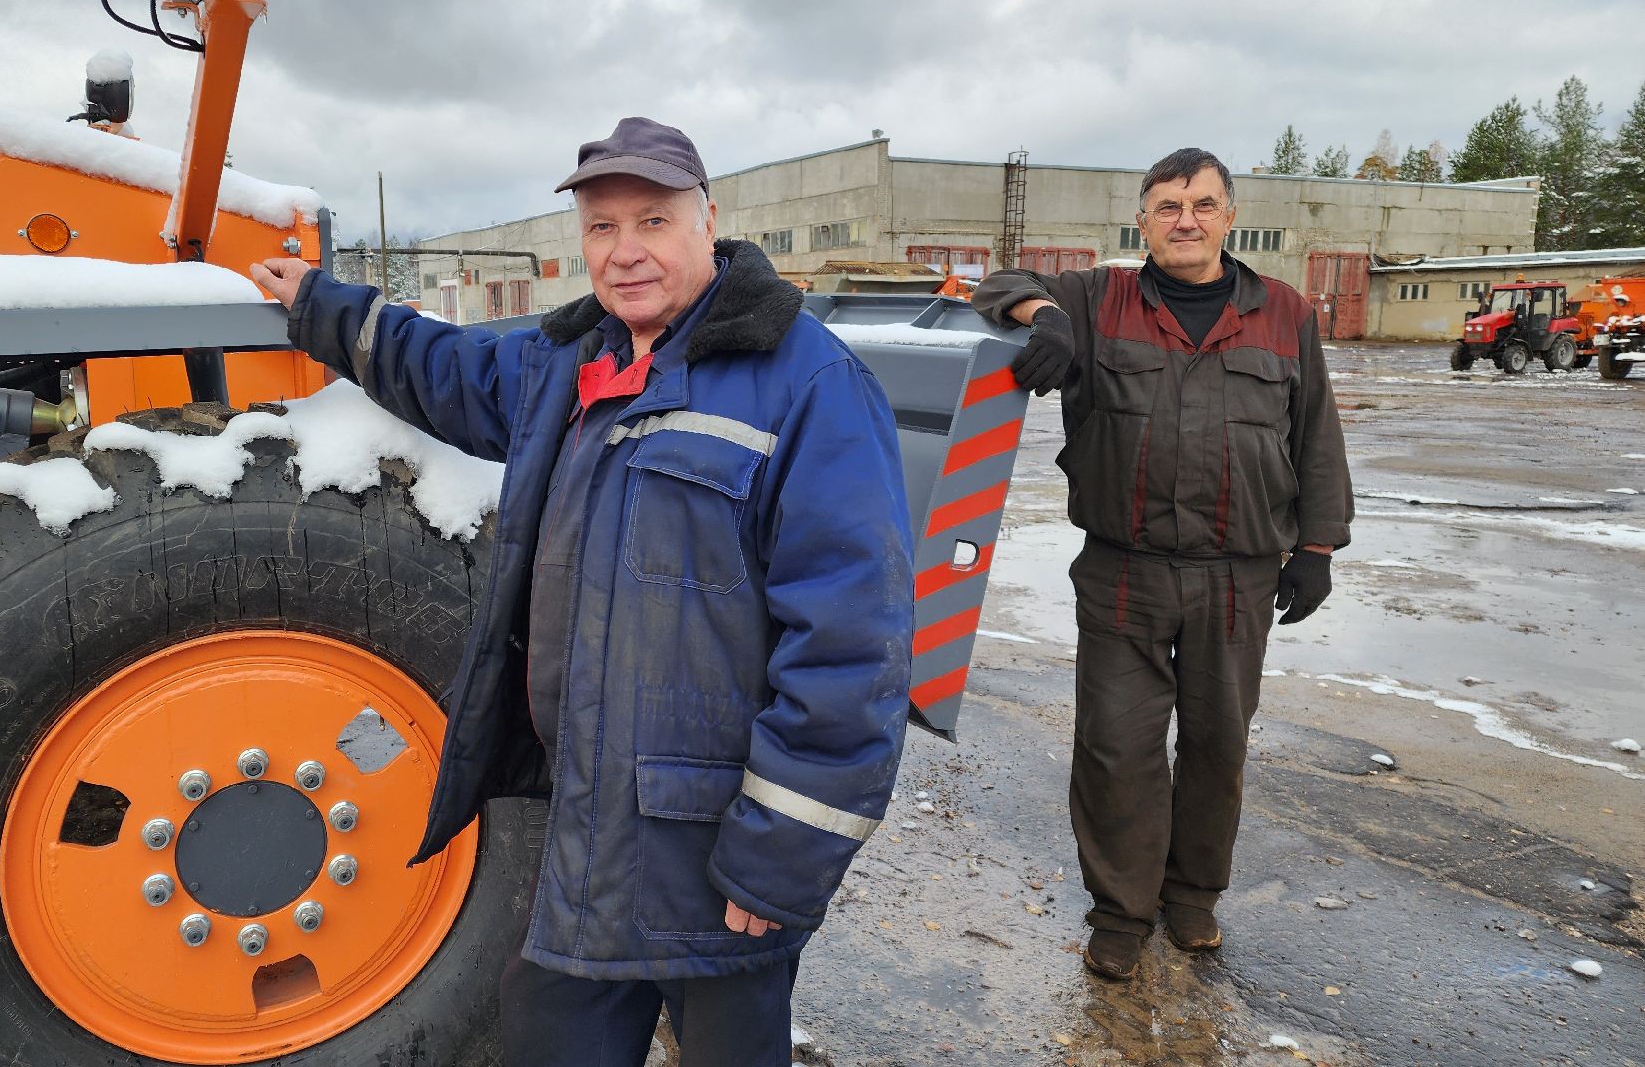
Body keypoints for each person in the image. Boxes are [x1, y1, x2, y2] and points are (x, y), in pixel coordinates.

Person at [252, 117, 915, 1066]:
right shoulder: (572, 364)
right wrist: (320, 306)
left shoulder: (808, 385)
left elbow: (854, 645)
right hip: (589, 837)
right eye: (602, 228)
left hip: (714, 851)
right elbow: (441, 368)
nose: (626, 250)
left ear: (709, 221)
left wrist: (781, 860)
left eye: (652, 220)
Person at [972, 148, 1353, 981]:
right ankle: (1121, 912)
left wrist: (1317, 546)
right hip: (1123, 568)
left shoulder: (1284, 311)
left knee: (1218, 744)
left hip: (1239, 574)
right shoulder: (1097, 299)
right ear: (1142, 221)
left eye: (1204, 205)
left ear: (1229, 216)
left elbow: (1315, 431)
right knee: (1116, 745)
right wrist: (1043, 315)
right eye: (1169, 206)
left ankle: (1192, 900)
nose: (1187, 220)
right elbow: (992, 285)